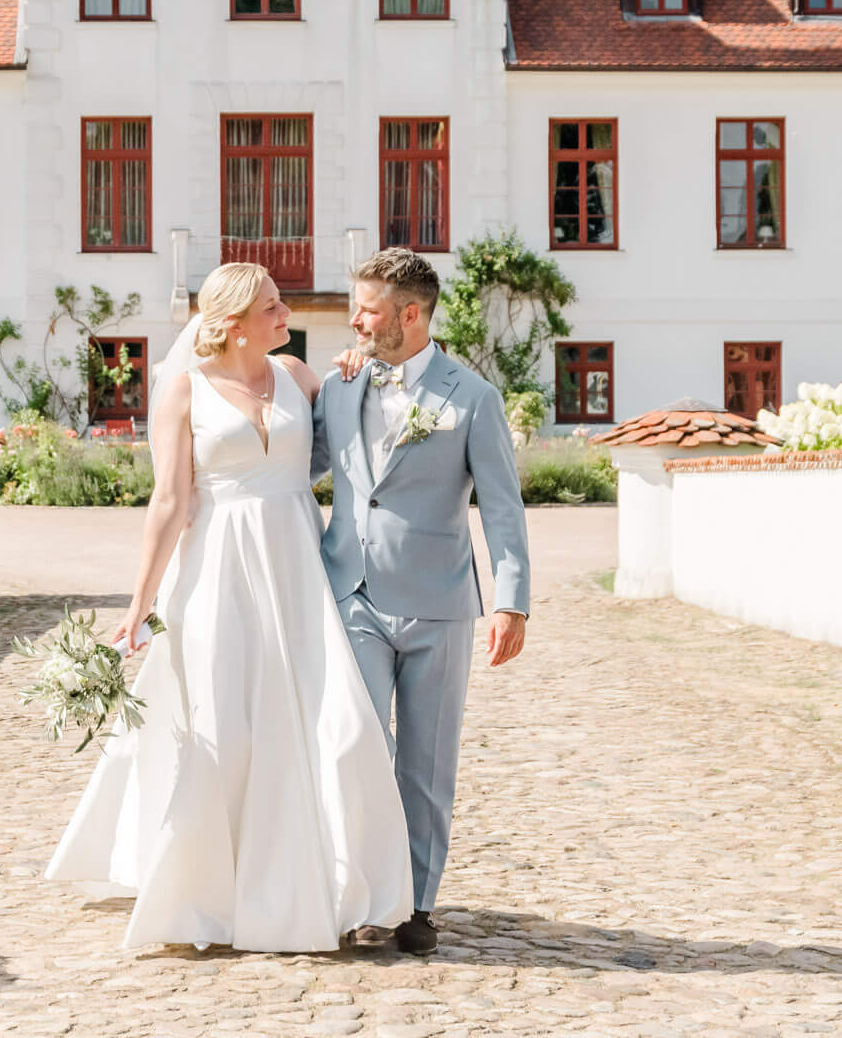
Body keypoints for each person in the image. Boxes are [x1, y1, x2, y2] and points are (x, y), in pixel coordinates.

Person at [44, 262, 413, 952]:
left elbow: (351, 444)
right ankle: (207, 895)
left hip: (298, 572)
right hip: (216, 573)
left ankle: (327, 883)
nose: (286, 314)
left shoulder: (300, 377)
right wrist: (139, 604)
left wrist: (356, 369)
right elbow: (169, 502)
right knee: (224, 729)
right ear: (235, 323)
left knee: (332, 724)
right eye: (272, 307)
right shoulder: (184, 391)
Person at [313, 247, 531, 955]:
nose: (355, 321)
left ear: (409, 315)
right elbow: (292, 465)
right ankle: (363, 893)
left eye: (367, 310)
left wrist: (512, 601)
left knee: (426, 764)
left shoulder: (473, 397)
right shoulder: (340, 387)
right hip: (354, 592)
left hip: (439, 603)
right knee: (355, 745)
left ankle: (416, 903)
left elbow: (502, 506)